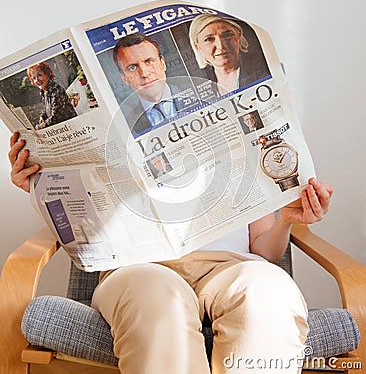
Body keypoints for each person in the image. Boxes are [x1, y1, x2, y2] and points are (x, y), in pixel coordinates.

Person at [9, 131, 333, 374]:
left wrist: (285, 222)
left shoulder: (242, 149)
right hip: (139, 268)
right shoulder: (112, 138)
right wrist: (43, 185)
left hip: (230, 268)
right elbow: (86, 225)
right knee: (155, 296)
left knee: (268, 288)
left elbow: (265, 249)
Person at [113, 33, 199, 136]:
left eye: (149, 61)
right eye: (132, 68)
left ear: (162, 64)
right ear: (124, 78)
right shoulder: (127, 125)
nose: (144, 74)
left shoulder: (198, 92)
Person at [189, 14, 271, 97]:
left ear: (238, 35)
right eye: (209, 39)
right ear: (197, 46)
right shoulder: (199, 85)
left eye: (227, 35)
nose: (220, 46)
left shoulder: (265, 64)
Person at [27, 62, 77, 129]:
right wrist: (43, 116)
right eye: (34, 78)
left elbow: (57, 117)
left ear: (47, 74)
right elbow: (47, 109)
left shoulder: (56, 89)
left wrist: (41, 126)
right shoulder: (44, 92)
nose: (37, 80)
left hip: (72, 126)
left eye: (39, 75)